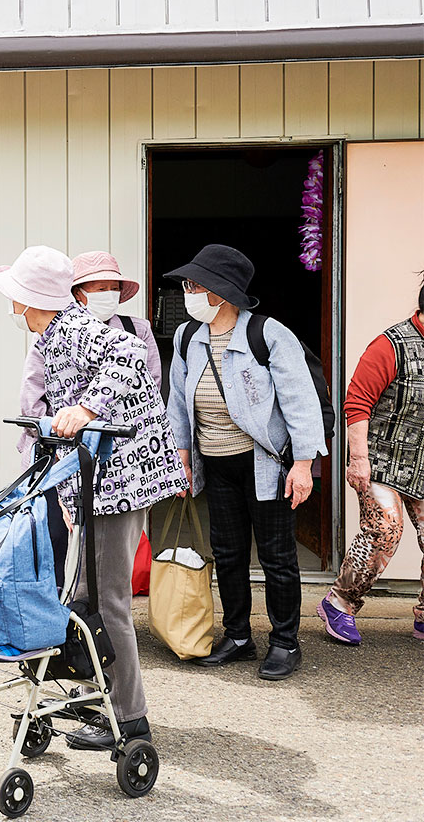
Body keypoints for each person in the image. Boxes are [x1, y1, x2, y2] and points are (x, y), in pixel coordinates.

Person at [0, 245, 186, 751]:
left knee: (108, 600)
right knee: (80, 595)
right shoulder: (51, 336)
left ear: (29, 300)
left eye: (16, 297)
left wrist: (84, 406)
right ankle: (91, 698)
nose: (12, 307)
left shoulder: (76, 328)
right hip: (94, 478)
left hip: (126, 478)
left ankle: (128, 719)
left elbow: (128, 357)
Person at [165, 244, 326, 680]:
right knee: (228, 553)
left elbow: (300, 401)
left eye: (194, 285)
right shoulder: (187, 338)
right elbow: (177, 404)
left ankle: (284, 642)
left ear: (221, 291)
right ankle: (238, 635)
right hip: (216, 463)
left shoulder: (268, 334)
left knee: (276, 556)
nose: (188, 292)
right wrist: (180, 455)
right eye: (186, 285)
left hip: (267, 463)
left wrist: (304, 463)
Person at [17, 251, 162, 583]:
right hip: (63, 457)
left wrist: (93, 411)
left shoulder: (134, 330)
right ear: (77, 293)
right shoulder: (53, 335)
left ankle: (87, 625)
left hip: (118, 464)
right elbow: (34, 398)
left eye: (113, 287)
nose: (108, 294)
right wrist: (56, 445)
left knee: (102, 572)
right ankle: (62, 617)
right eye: (99, 287)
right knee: (59, 545)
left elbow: (149, 386)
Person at [317, 278, 424, 645]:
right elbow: (357, 402)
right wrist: (358, 459)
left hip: (423, 464)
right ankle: (340, 602)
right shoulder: (391, 344)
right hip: (382, 459)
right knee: (385, 530)